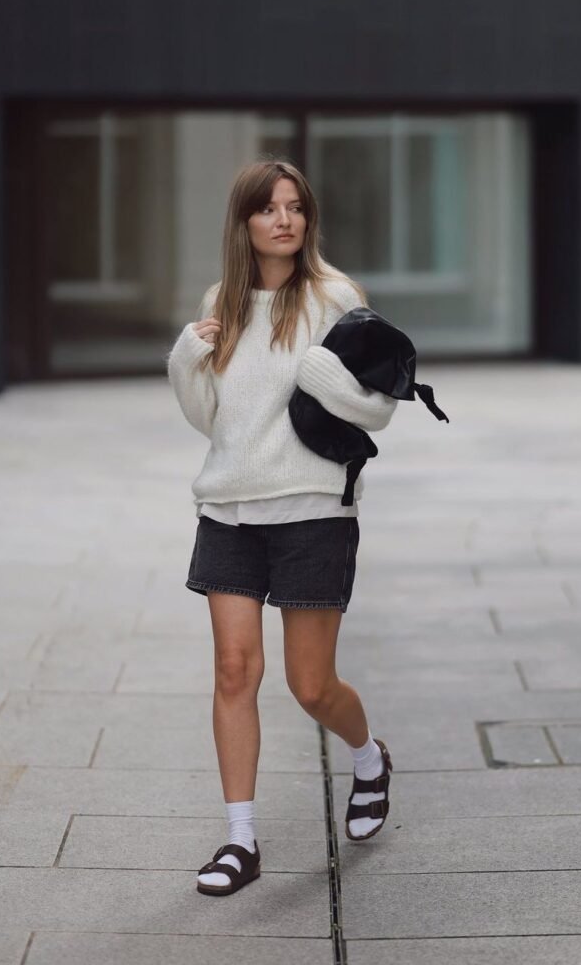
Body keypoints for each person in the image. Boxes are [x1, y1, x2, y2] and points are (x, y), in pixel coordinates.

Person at [167, 157, 397, 897]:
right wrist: (185, 361)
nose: (284, 220)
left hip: (311, 511)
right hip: (230, 509)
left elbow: (378, 406)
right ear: (244, 222)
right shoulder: (221, 303)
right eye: (268, 209)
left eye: (294, 207)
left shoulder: (335, 297)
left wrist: (330, 381)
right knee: (235, 671)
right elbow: (214, 421)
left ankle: (368, 758)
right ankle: (240, 841)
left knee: (310, 684)